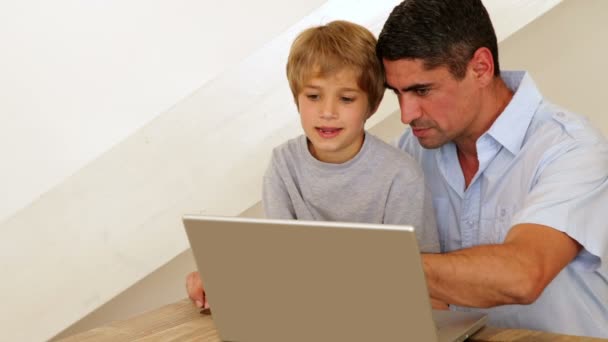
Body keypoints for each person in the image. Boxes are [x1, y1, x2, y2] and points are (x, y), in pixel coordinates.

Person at [376, 0, 608, 337]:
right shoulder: (411, 151)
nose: (406, 113)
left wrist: (370, 268)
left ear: (481, 68)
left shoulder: (571, 149)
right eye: (396, 93)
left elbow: (523, 275)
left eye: (421, 90)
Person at [186, 20, 440, 311]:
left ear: (372, 105)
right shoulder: (284, 164)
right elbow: (280, 263)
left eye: (346, 98)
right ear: (296, 99)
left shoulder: (401, 176)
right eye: (313, 96)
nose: (327, 112)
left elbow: (422, 281)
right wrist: (222, 278)